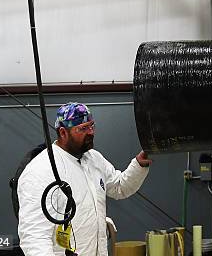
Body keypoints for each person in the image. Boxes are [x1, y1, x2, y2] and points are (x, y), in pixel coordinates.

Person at [18, 102, 152, 256]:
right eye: (83, 128)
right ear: (63, 132)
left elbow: (119, 187)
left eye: (92, 126)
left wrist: (139, 165)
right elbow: (34, 237)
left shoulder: (93, 159)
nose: (91, 132)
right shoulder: (41, 171)